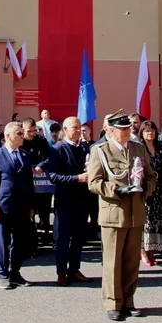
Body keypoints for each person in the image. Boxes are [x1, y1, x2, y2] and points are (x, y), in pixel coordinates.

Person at [88, 110, 157, 321]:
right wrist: (116, 190)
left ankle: (128, 300)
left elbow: (151, 176)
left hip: (136, 212)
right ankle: (113, 303)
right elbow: (94, 182)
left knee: (130, 261)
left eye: (128, 128)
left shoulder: (138, 148)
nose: (127, 131)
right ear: (110, 131)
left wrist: (145, 188)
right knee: (113, 261)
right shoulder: (100, 151)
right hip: (114, 213)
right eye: (122, 129)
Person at [0, 121, 35, 289]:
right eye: (19, 134)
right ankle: (3, 273)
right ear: (7, 136)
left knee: (18, 241)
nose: (23, 136)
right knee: (3, 241)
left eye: (22, 133)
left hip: (22, 206)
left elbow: (29, 182)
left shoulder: (25, 155)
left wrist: (30, 205)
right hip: (3, 206)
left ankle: (15, 272)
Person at [48, 117, 94, 285]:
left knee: (78, 238)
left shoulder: (84, 148)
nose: (78, 130)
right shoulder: (57, 149)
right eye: (74, 127)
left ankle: (74, 270)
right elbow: (53, 176)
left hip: (83, 200)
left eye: (80, 127)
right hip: (65, 201)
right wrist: (77, 178)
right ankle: (61, 272)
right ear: (65, 129)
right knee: (64, 238)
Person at [139, 120, 162, 266]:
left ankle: (153, 251)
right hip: (146, 189)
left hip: (159, 190)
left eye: (153, 131)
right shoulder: (140, 148)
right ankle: (143, 252)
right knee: (146, 221)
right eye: (147, 131)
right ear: (142, 133)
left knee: (156, 221)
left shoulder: (160, 149)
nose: (151, 133)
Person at [23, 117, 52, 246]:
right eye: (29, 131)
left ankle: (46, 234)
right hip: (27, 183)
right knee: (29, 211)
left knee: (44, 210)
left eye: (34, 131)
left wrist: (41, 165)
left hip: (42, 181)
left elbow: (49, 158)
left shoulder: (41, 141)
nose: (32, 134)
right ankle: (31, 238)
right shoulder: (20, 142)